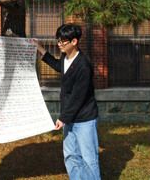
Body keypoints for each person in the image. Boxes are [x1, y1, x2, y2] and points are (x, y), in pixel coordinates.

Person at [34, 24, 101, 180]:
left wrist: (63, 118)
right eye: (58, 40)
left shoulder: (83, 65)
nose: (59, 44)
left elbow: (78, 97)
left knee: (89, 159)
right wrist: (40, 49)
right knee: (71, 155)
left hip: (84, 119)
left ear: (74, 41)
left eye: (63, 41)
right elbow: (59, 66)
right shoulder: (66, 57)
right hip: (69, 118)